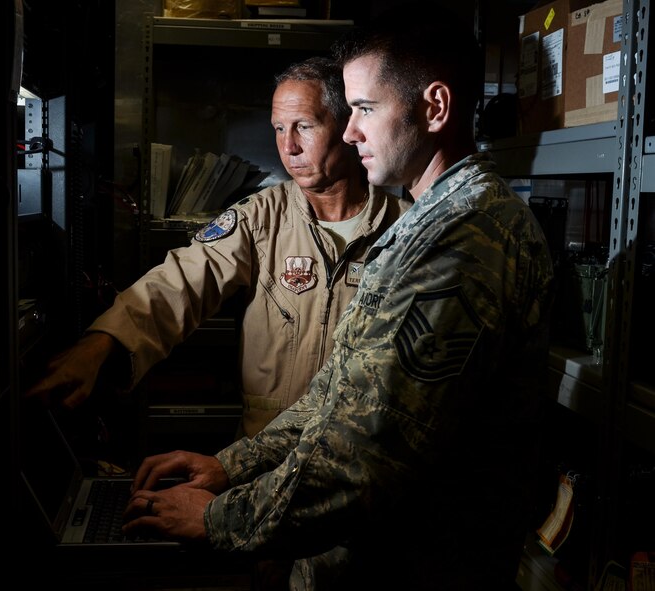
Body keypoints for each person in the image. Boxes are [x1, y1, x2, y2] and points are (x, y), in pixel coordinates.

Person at [121, 5, 556, 590]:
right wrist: (232, 465)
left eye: (365, 110)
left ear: (435, 108)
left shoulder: (464, 237)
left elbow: (367, 453)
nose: (351, 133)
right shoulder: (428, 224)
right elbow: (340, 394)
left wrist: (218, 518)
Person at [27, 56, 406, 438]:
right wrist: (105, 340)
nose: (288, 146)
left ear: (347, 126)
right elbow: (181, 281)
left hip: (361, 451)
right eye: (278, 128)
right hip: (265, 452)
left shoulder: (407, 227)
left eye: (304, 126)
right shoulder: (260, 218)